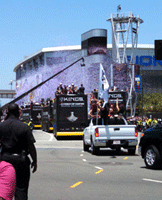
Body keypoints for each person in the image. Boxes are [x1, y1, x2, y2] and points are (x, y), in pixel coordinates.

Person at [0, 103, 37, 200]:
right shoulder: (24, 127)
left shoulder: (1, 126)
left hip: (5, 160)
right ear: (19, 113)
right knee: (21, 190)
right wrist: (35, 161)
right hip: (21, 160)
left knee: (4, 191)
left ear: (7, 113)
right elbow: (31, 146)